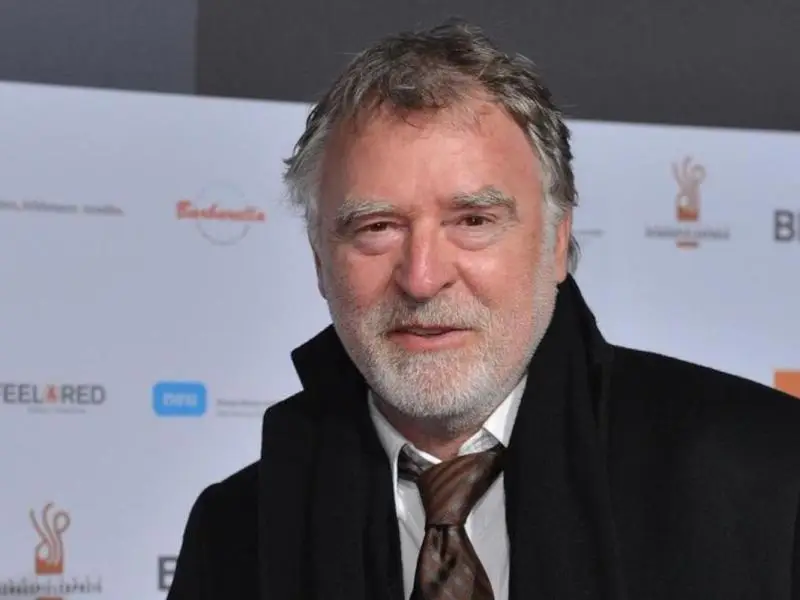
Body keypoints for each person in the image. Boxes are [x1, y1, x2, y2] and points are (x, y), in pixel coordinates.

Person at [166, 19, 800, 600]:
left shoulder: (769, 475)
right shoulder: (236, 535)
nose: (422, 278)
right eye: (377, 227)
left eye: (473, 221)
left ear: (556, 242)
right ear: (318, 260)